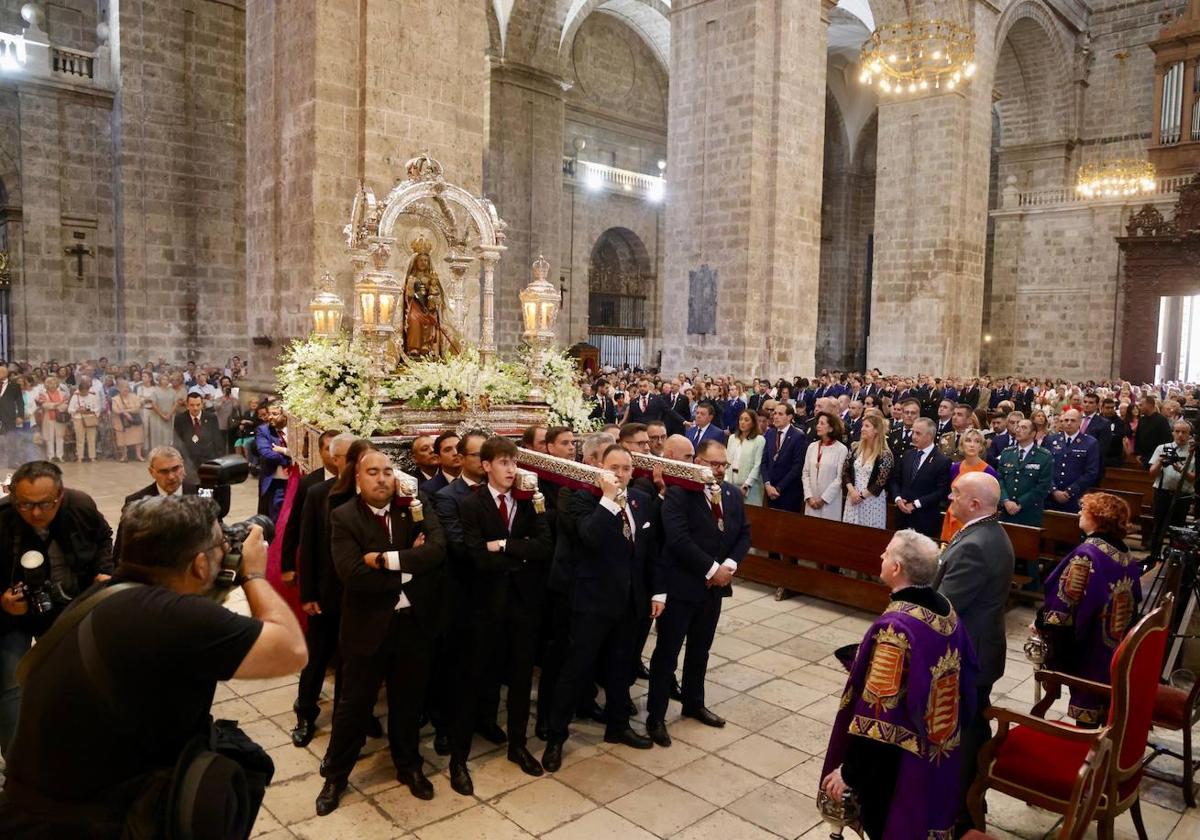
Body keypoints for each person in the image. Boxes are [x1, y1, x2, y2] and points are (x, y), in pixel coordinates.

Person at [0, 495, 306, 839]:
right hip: (88, 823)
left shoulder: (109, 596)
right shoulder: (167, 617)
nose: (227, 551)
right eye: (222, 544)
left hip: (35, 810)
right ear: (201, 565)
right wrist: (251, 573)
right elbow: (292, 650)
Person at [821, 530, 976, 840]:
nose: (881, 557)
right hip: (938, 749)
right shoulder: (945, 609)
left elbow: (877, 715)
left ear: (896, 569)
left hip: (898, 764)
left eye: (886, 553)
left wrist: (849, 772)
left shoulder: (895, 628)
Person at [317, 451, 448, 814]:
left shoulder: (414, 509)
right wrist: (410, 565)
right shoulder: (343, 517)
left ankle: (408, 765)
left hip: (413, 626)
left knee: (409, 703)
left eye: (387, 472)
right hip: (367, 628)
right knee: (354, 706)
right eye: (372, 472)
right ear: (358, 479)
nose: (381, 479)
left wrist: (384, 560)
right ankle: (337, 776)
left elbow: (438, 551)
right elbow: (352, 575)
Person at [541, 445, 657, 772]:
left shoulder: (640, 501)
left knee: (621, 668)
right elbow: (590, 537)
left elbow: (646, 553)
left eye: (626, 468)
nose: (620, 474)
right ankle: (556, 736)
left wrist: (653, 593)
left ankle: (618, 725)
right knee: (576, 669)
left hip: (629, 601)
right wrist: (607, 499)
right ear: (598, 466)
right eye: (614, 467)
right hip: (591, 600)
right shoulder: (576, 497)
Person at [448, 436, 552, 794]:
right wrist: (518, 558)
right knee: (472, 678)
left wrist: (506, 546)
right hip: (485, 605)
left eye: (515, 462)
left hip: (523, 605)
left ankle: (518, 745)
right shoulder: (471, 503)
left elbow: (544, 546)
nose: (512, 469)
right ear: (487, 465)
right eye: (504, 463)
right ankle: (458, 759)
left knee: (522, 678)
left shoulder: (530, 499)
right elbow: (476, 555)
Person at [0, 460, 115, 755]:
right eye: (25, 505)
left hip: (69, 605)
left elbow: (104, 538)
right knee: (11, 687)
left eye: (44, 504)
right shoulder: (3, 518)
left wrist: (105, 571)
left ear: (60, 495)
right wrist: (2, 602)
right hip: (14, 615)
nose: (35, 513)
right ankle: (18, 763)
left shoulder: (80, 507)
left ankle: (78, 749)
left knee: (79, 677)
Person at [645, 439, 750, 747]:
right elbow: (677, 539)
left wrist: (728, 565)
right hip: (682, 586)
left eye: (723, 465)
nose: (718, 471)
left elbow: (743, 532)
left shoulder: (730, 493)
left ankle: (694, 702)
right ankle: (656, 716)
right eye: (713, 464)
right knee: (667, 653)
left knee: (700, 649)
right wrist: (711, 569)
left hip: (713, 591)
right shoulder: (680, 493)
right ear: (698, 463)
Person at [934, 471, 1014, 831]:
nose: (950, 501)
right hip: (983, 646)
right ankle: (970, 800)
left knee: (965, 734)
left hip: (971, 654)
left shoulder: (975, 545)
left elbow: (944, 607)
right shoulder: (986, 533)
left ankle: (962, 812)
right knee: (972, 726)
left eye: (955, 495)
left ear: (975, 504)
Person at [290, 437, 379, 748]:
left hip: (361, 595)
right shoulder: (319, 494)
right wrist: (308, 593)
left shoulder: (378, 497)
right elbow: (308, 546)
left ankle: (355, 713)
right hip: (327, 591)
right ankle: (305, 712)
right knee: (318, 656)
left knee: (353, 660)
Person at [1035, 492, 1141, 726]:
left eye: (1084, 510)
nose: (1079, 513)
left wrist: (1041, 624)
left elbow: (1064, 602)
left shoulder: (1088, 552)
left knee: (1088, 700)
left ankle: (1084, 752)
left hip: (1088, 643)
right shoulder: (1125, 554)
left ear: (1098, 518)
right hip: (1114, 643)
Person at [430, 430, 496, 755]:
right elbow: (459, 546)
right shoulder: (447, 497)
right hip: (462, 592)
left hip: (494, 590)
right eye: (475, 455)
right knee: (454, 664)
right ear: (462, 459)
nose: (483, 461)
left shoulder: (501, 492)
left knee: (490, 660)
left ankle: (486, 718)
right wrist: (503, 548)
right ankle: (445, 727)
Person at [279, 430, 339, 585]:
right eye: (329, 449)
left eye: (339, 449)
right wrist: (288, 566)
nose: (335, 454)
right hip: (320, 563)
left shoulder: (359, 480)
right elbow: (294, 525)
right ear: (320, 452)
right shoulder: (309, 483)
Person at [888, 418, 951, 541]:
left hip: (924, 519)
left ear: (930, 436)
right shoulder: (908, 455)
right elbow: (895, 479)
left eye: (918, 433)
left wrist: (916, 504)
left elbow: (941, 491)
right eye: (913, 432)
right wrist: (898, 498)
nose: (913, 436)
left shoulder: (942, 461)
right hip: (902, 516)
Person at [940, 429, 998, 542]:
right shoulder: (954, 468)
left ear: (981, 447)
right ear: (961, 445)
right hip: (953, 515)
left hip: (974, 522)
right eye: (968, 440)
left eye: (977, 441)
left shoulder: (988, 471)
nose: (972, 445)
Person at [1148, 419, 1196, 549]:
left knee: (1177, 530)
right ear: (1173, 433)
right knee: (1158, 527)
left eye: (1184, 432)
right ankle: (1154, 556)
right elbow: (1152, 473)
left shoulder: (1194, 452)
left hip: (1182, 496)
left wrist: (1180, 469)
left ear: (1190, 434)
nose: (1180, 435)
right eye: (1177, 431)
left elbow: (1194, 479)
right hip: (1162, 492)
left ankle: (1172, 561)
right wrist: (1160, 462)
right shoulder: (1162, 448)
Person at [997, 419, 1054, 527]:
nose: (1018, 430)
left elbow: (1043, 486)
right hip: (1006, 510)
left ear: (1033, 433)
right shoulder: (1007, 453)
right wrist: (1005, 500)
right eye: (1018, 427)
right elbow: (999, 479)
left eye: (1024, 428)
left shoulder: (1044, 456)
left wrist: (1020, 504)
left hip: (1029, 513)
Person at [841, 412, 894, 530]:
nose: (862, 429)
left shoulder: (884, 454)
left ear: (876, 430)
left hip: (872, 501)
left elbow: (881, 481)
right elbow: (845, 471)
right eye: (862, 426)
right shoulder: (855, 447)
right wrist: (852, 492)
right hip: (852, 497)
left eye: (867, 426)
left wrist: (861, 496)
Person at [1044, 409, 1102, 513]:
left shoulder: (1090, 443)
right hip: (1050, 496)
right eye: (1066, 420)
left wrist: (1070, 491)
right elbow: (1044, 468)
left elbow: (1091, 472)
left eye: (1073, 420)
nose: (1068, 423)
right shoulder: (1051, 440)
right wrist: (1053, 490)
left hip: (1075, 497)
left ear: (1080, 422)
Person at [761, 402, 807, 512]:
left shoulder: (798, 436)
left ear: (790, 417)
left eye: (780, 414)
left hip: (788, 492)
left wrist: (778, 488)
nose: (775, 416)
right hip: (769, 490)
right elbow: (764, 462)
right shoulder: (770, 433)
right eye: (775, 413)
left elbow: (797, 467)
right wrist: (767, 484)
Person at [802, 411, 849, 521]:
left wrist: (823, 499)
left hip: (829, 503)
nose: (818, 426)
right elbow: (805, 473)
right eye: (818, 423)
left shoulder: (841, 449)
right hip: (811, 500)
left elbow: (839, 478)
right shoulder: (812, 447)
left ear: (831, 428)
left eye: (822, 423)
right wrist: (809, 497)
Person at [254, 402, 293, 521]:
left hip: (295, 481)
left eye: (274, 414)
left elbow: (303, 454)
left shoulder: (295, 430)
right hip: (275, 482)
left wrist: (284, 451)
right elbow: (266, 454)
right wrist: (289, 459)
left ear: (285, 414)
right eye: (269, 413)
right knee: (275, 518)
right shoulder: (263, 430)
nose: (270, 417)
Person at [727, 408, 765, 505]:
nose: (742, 422)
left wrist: (746, 485)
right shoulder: (732, 438)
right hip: (731, 483)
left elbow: (757, 465)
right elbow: (727, 462)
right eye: (741, 419)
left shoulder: (759, 440)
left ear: (753, 423)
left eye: (746, 420)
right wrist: (726, 482)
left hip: (750, 486)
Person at [33, 375, 68, 463]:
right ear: (46, 385)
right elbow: (45, 406)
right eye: (50, 383)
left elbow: (65, 406)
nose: (52, 385)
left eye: (54, 383)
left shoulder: (63, 394)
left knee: (60, 437)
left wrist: (52, 405)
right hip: (48, 418)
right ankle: (51, 456)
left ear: (57, 384)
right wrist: (57, 404)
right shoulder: (43, 394)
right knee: (49, 438)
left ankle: (60, 456)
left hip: (60, 419)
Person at [67, 377, 102, 463]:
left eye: (86, 391)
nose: (84, 393)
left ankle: (92, 456)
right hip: (78, 419)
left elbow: (97, 409)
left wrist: (90, 411)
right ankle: (80, 456)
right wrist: (77, 410)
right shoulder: (75, 397)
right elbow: (69, 409)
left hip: (90, 419)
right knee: (80, 439)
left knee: (91, 438)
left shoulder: (93, 396)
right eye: (82, 391)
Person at [110, 380, 145, 462]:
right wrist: (124, 413)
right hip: (121, 421)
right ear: (119, 389)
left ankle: (138, 455)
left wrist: (127, 411)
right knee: (122, 438)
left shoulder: (134, 396)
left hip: (134, 420)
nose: (126, 391)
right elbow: (115, 410)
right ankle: (124, 456)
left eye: (127, 389)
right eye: (124, 389)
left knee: (138, 437)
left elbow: (137, 407)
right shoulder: (115, 399)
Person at [0, 365, 26, 469]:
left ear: (6, 373)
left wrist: (20, 415)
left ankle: (12, 461)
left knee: (11, 439)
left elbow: (20, 402)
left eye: (2, 372)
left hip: (9, 417)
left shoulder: (14, 386)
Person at [1135, 395, 1172, 467]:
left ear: (1150, 405)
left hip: (1156, 458)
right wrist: (1138, 453)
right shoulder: (1142, 419)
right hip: (1143, 457)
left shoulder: (1161, 420)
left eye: (1141, 405)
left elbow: (1167, 440)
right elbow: (1138, 438)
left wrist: (1160, 457)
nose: (1139, 407)